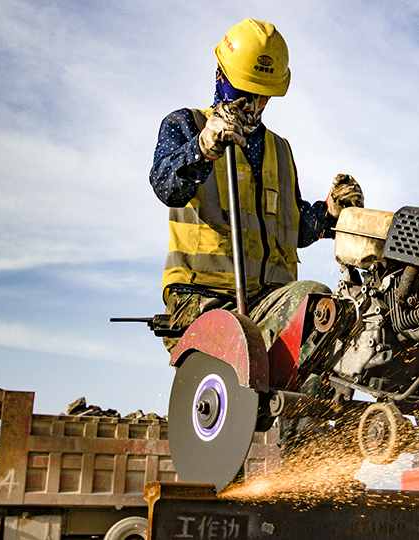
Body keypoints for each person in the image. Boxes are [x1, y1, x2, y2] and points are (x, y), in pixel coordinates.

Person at [149, 18, 364, 353]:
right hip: (202, 300)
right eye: (243, 93)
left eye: (262, 97)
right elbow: (166, 187)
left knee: (332, 322)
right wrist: (203, 148)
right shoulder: (187, 124)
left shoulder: (279, 149)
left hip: (271, 302)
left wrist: (330, 214)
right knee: (310, 301)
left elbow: (291, 229)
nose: (252, 105)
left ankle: (320, 406)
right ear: (220, 75)